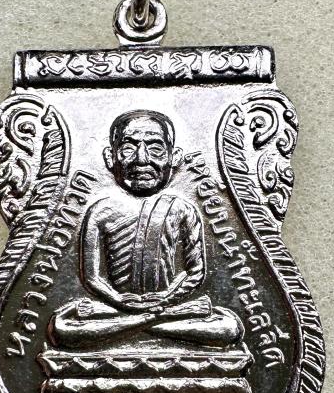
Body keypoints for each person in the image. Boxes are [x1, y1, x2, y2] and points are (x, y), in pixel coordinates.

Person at [48, 109, 244, 349]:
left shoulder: (182, 208)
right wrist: (120, 301)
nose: (142, 159)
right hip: (118, 307)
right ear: (110, 157)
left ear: (174, 157)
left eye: (156, 148)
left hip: (163, 306)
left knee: (228, 327)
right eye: (128, 148)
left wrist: (165, 299)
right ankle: (151, 323)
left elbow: (195, 272)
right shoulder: (100, 211)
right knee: (61, 328)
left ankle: (136, 325)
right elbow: (92, 278)